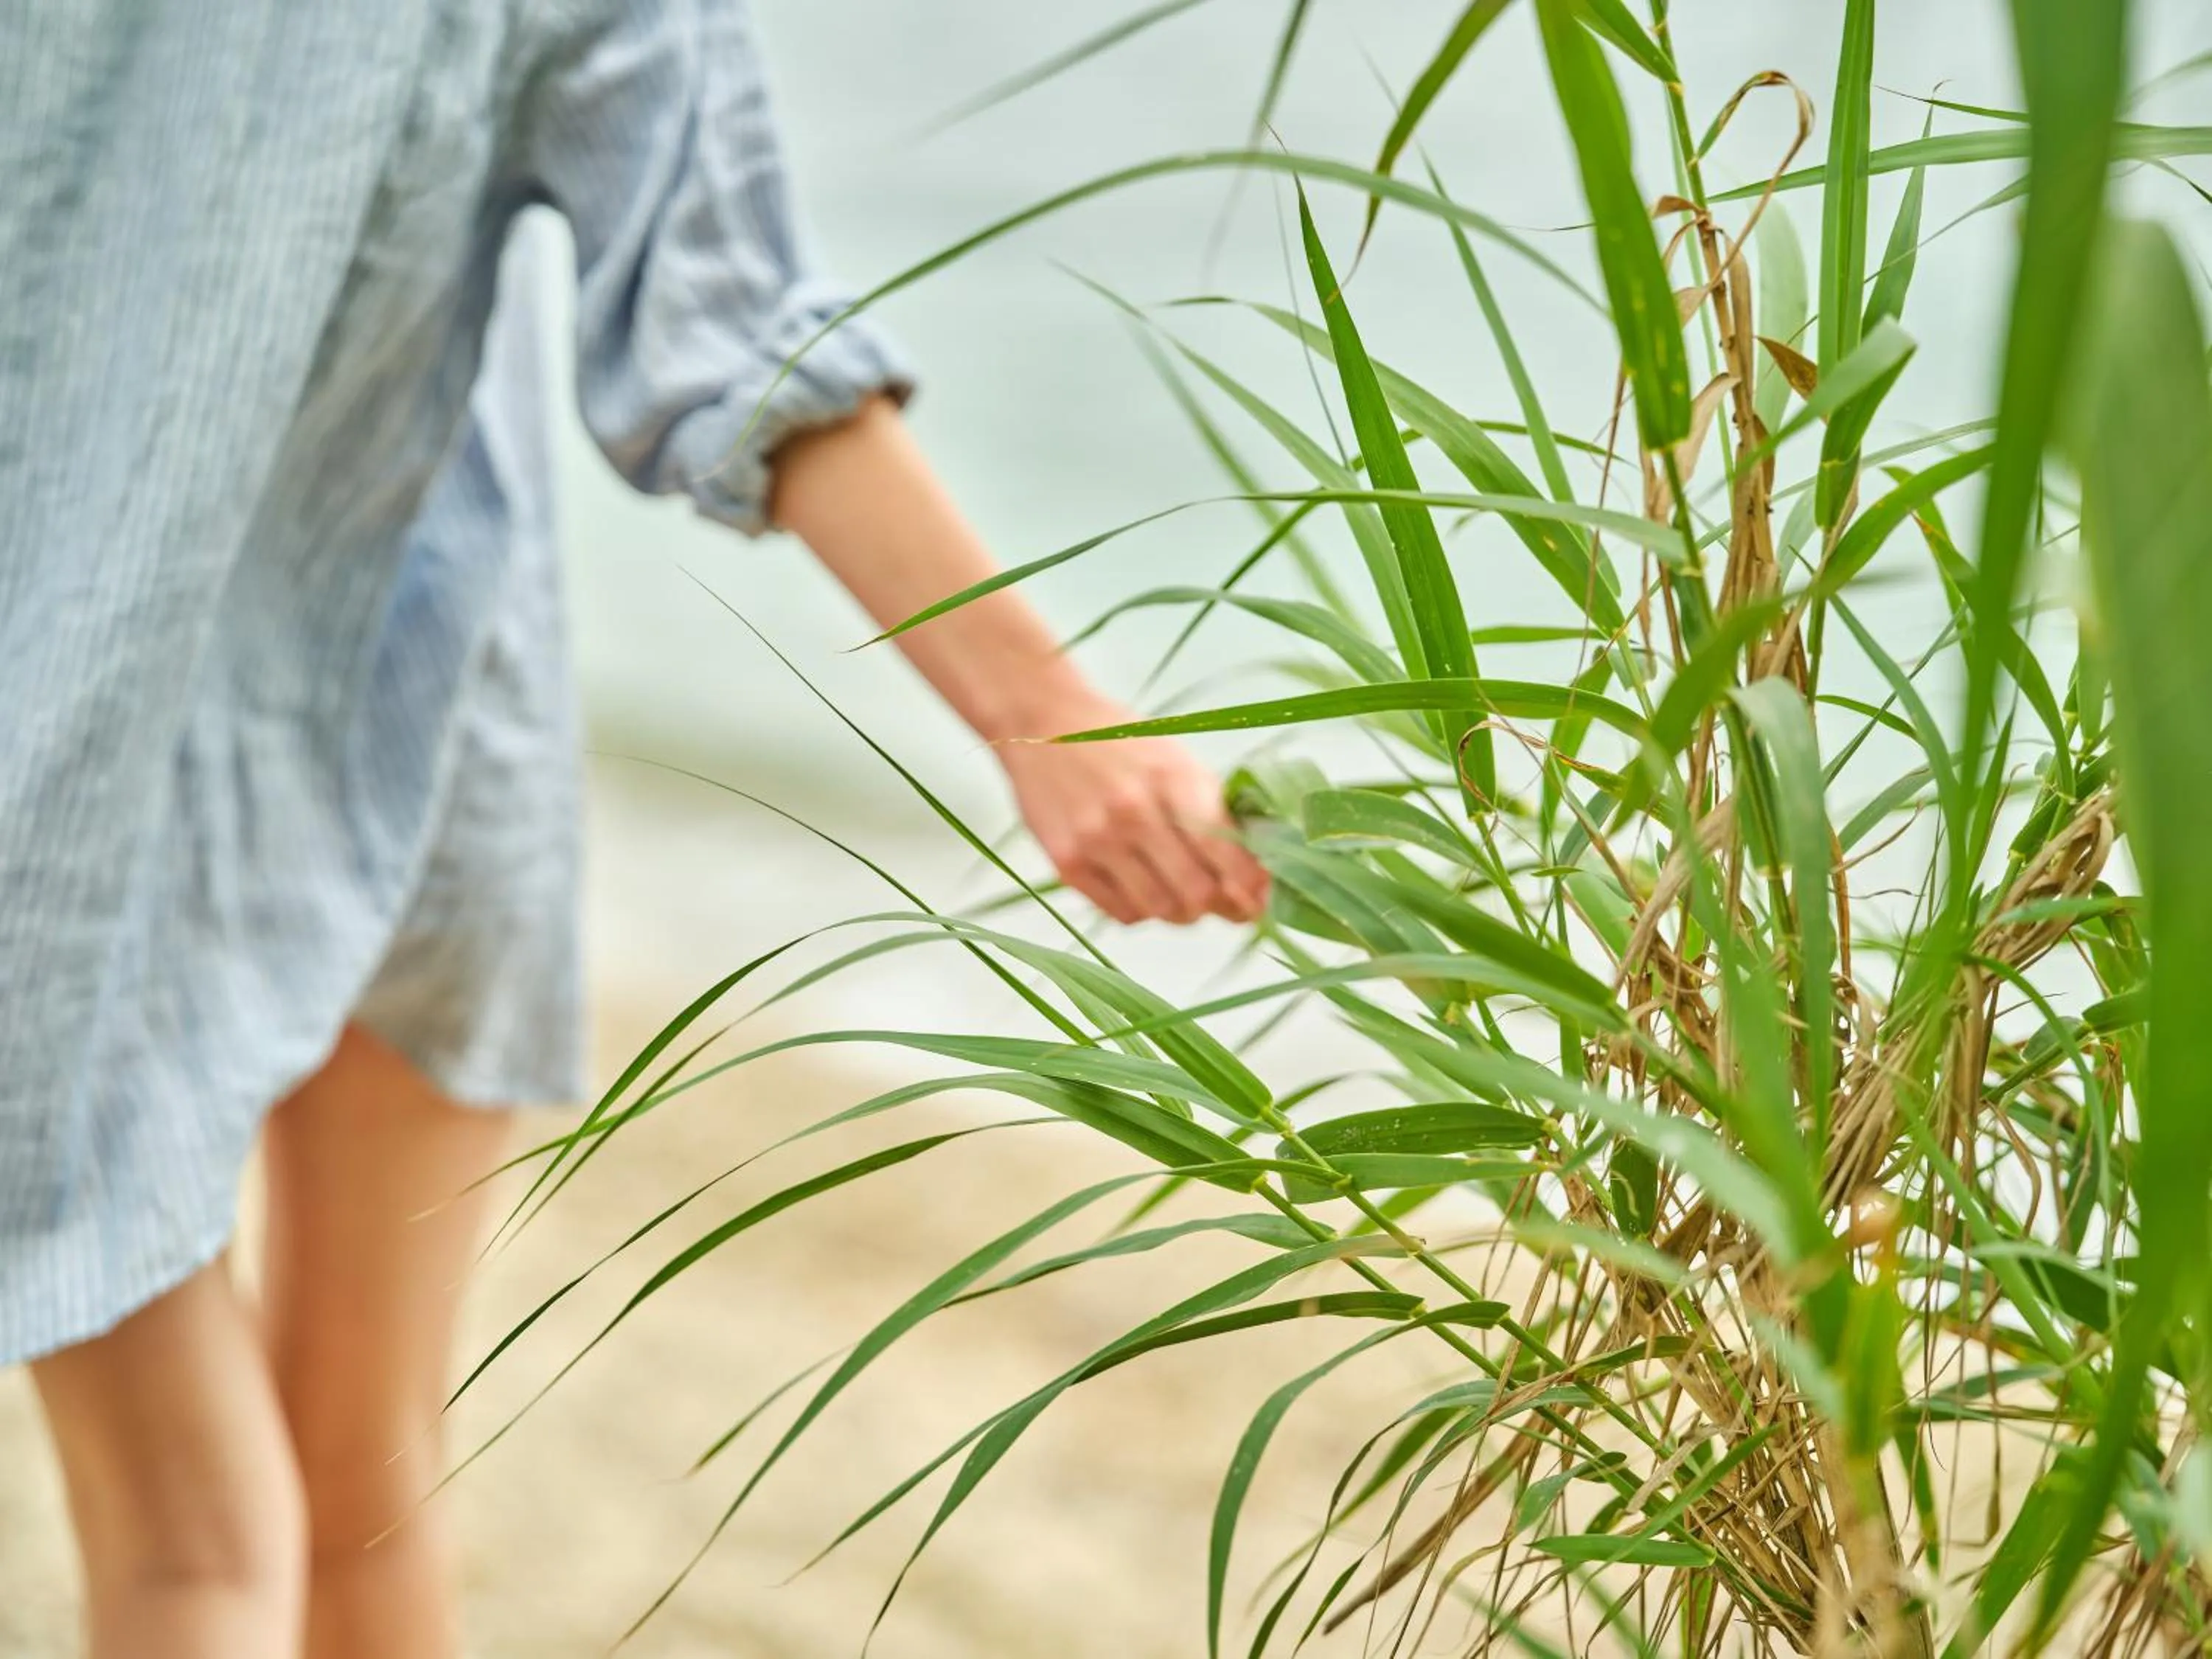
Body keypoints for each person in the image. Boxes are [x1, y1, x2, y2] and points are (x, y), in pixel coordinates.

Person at [0, 1, 1270, 1655]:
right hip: (410, 693)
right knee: (345, 1502)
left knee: (210, 1546)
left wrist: (1049, 720)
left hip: (95, 754)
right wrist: (1043, 713)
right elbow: (726, 316)